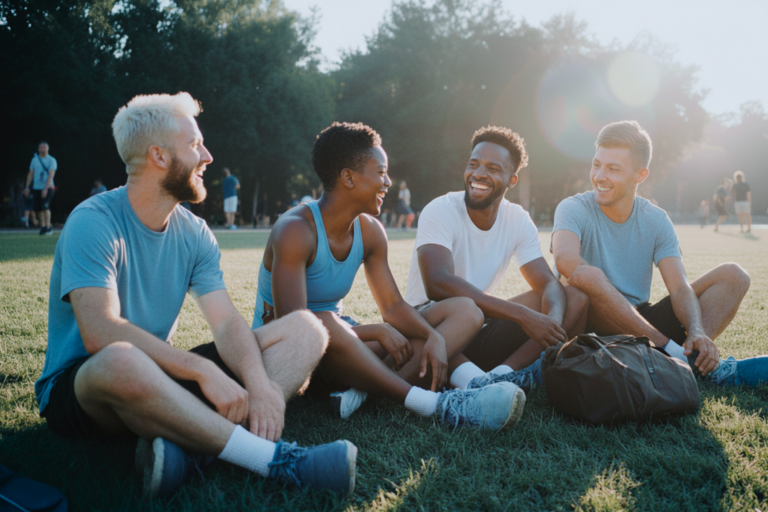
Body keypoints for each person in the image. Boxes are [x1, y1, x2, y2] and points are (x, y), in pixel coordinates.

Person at [34, 92, 358, 500]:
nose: (206, 156)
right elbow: (101, 332)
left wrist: (258, 382)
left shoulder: (194, 232)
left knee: (307, 330)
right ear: (159, 157)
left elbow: (225, 322)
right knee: (120, 358)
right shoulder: (93, 222)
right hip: (86, 386)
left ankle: (188, 454)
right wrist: (203, 371)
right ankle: (275, 461)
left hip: (160, 376)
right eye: (194, 145)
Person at [253, 121, 525, 428]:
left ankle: (365, 391)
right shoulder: (295, 230)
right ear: (348, 178)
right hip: (289, 355)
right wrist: (376, 331)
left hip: (344, 341)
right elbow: (296, 328)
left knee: (467, 310)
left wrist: (432, 335)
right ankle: (434, 404)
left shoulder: (369, 231)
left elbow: (393, 307)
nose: (388, 182)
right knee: (328, 321)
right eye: (381, 172)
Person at [552, 120, 767, 388]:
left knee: (734, 275)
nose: (599, 176)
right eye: (596, 165)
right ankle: (673, 359)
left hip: (640, 321)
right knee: (585, 281)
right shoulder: (573, 208)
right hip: (587, 325)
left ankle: (688, 361)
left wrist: (697, 330)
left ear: (640, 175)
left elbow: (679, 288)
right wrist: (663, 342)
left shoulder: (656, 219)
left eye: (613, 168)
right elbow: (565, 260)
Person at [404, 126, 588, 392]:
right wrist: (523, 316)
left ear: (512, 180)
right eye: (474, 165)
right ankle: (476, 383)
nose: (478, 174)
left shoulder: (517, 219)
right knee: (467, 312)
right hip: (429, 324)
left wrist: (553, 321)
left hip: (478, 324)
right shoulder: (441, 209)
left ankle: (503, 376)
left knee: (575, 297)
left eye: (492, 168)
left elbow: (547, 283)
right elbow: (438, 283)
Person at [24, 141, 56, 235]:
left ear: (48, 149)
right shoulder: (34, 160)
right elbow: (31, 174)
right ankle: (42, 226)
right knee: (37, 208)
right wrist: (27, 187)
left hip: (48, 187)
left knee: (45, 206)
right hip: (36, 187)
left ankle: (48, 226)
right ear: (38, 149)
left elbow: (51, 175)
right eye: (41, 147)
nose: (42, 149)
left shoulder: (51, 160)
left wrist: (46, 188)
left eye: (44, 147)